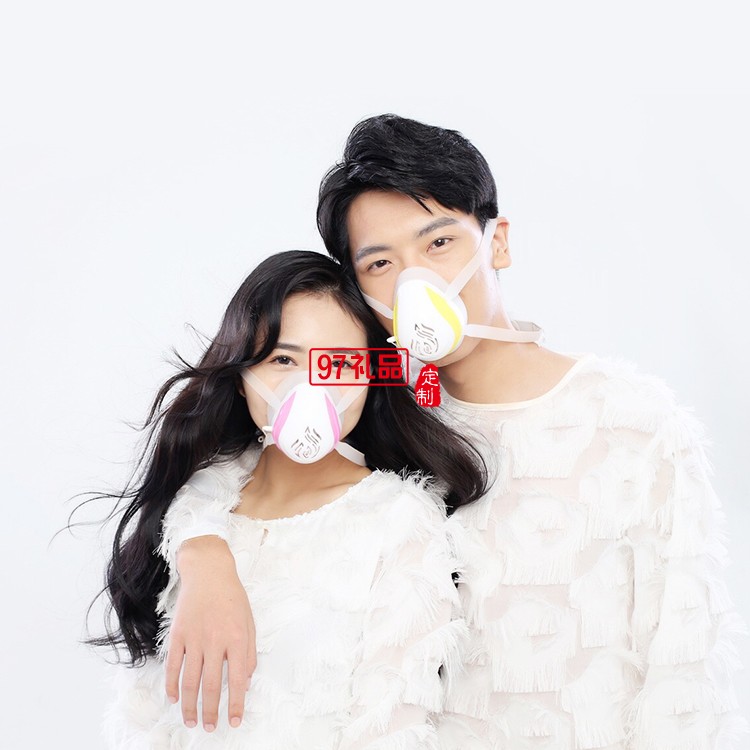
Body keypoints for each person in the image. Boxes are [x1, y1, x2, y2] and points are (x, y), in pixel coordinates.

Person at [165, 117, 748, 748]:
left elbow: (687, 667)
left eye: (439, 243)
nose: (415, 283)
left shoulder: (632, 420)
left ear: (498, 243)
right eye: (381, 262)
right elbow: (248, 466)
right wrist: (203, 553)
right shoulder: (374, 407)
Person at [95, 250, 488, 748]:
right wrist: (204, 554)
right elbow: (144, 712)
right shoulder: (192, 517)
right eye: (283, 360)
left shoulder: (400, 523)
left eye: (338, 363)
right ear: (241, 378)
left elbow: (392, 729)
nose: (311, 387)